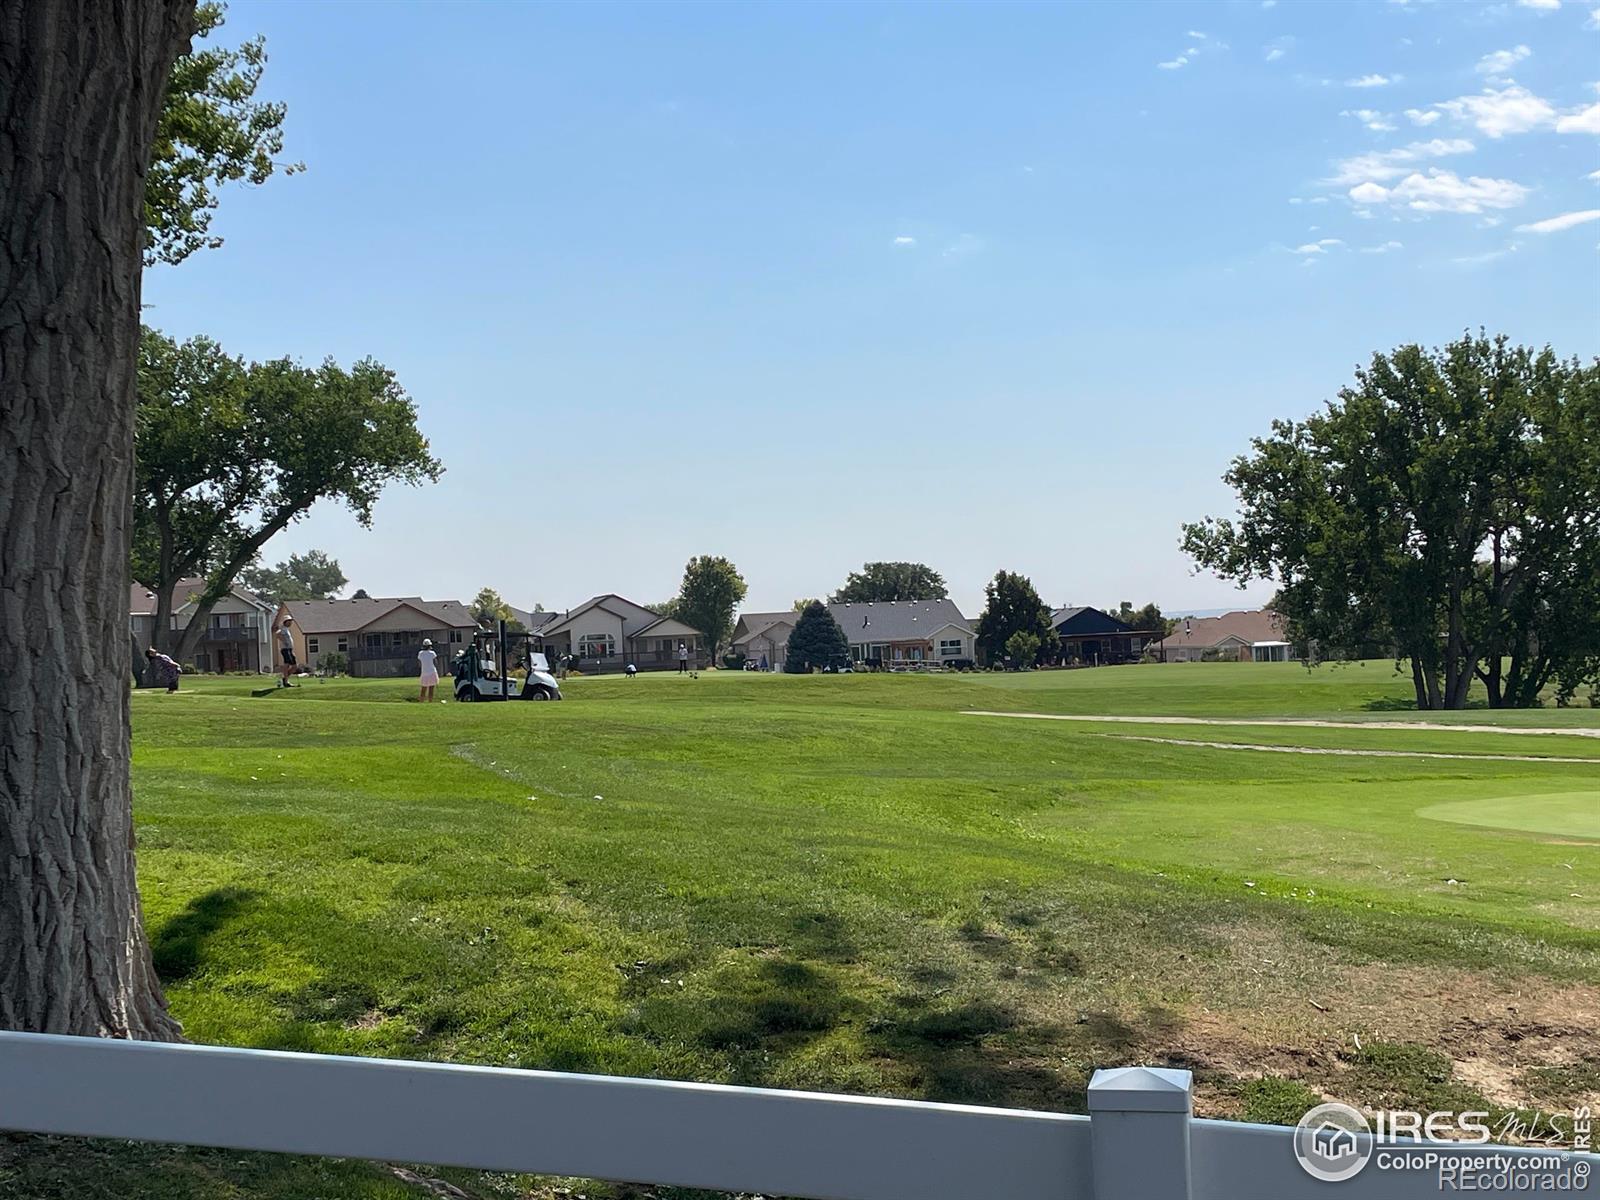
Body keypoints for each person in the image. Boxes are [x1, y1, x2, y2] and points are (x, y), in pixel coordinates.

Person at [276, 617, 297, 687]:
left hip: (290, 649)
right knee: (287, 664)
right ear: (285, 622)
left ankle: (285, 678)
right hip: (285, 649)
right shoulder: (283, 629)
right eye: (289, 621)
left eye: (291, 621)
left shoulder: (286, 629)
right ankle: (286, 681)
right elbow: (278, 634)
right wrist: (284, 642)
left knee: (294, 666)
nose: (290, 623)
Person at [417, 638, 440, 702]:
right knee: (431, 688)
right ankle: (430, 701)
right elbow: (436, 663)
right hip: (432, 672)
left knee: (423, 689)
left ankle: (421, 701)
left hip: (424, 673)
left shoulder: (420, 653)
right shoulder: (432, 653)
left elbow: (419, 664)